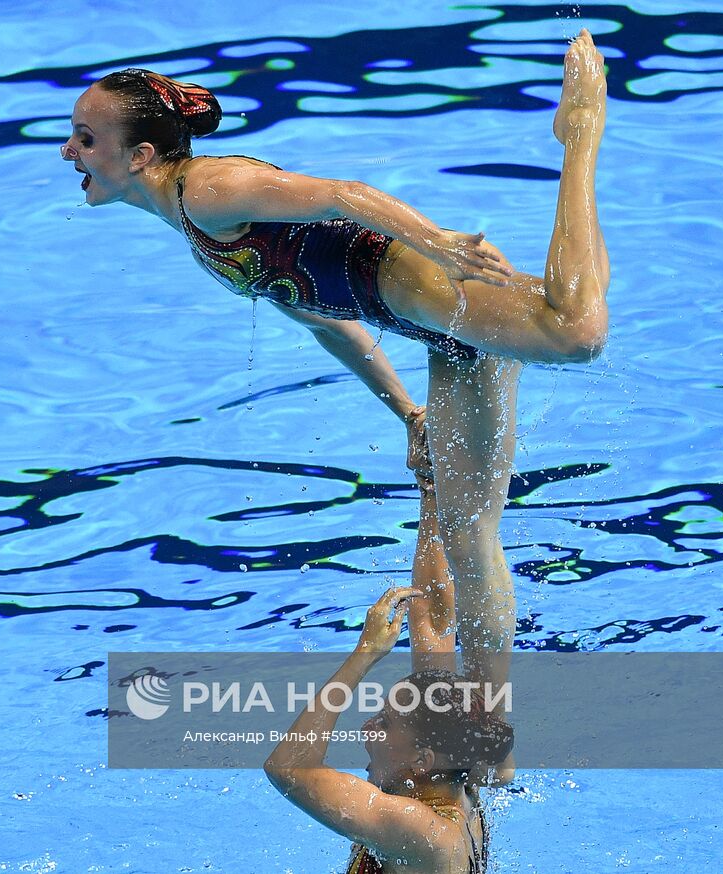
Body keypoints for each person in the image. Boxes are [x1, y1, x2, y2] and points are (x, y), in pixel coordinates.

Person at [60, 31, 610, 693]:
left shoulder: (209, 189)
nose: (69, 150)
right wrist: (408, 411)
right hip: (440, 333)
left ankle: (580, 130)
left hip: (427, 283)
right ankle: (486, 720)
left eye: (85, 138)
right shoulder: (189, 225)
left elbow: (341, 193)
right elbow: (323, 318)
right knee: (468, 536)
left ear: (140, 153)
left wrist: (437, 242)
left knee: (577, 332)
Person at [262, 474, 513, 872]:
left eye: (386, 723)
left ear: (422, 759)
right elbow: (433, 623)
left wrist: (363, 655)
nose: (367, 727)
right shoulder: (463, 781)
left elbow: (288, 768)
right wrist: (431, 489)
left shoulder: (423, 832)